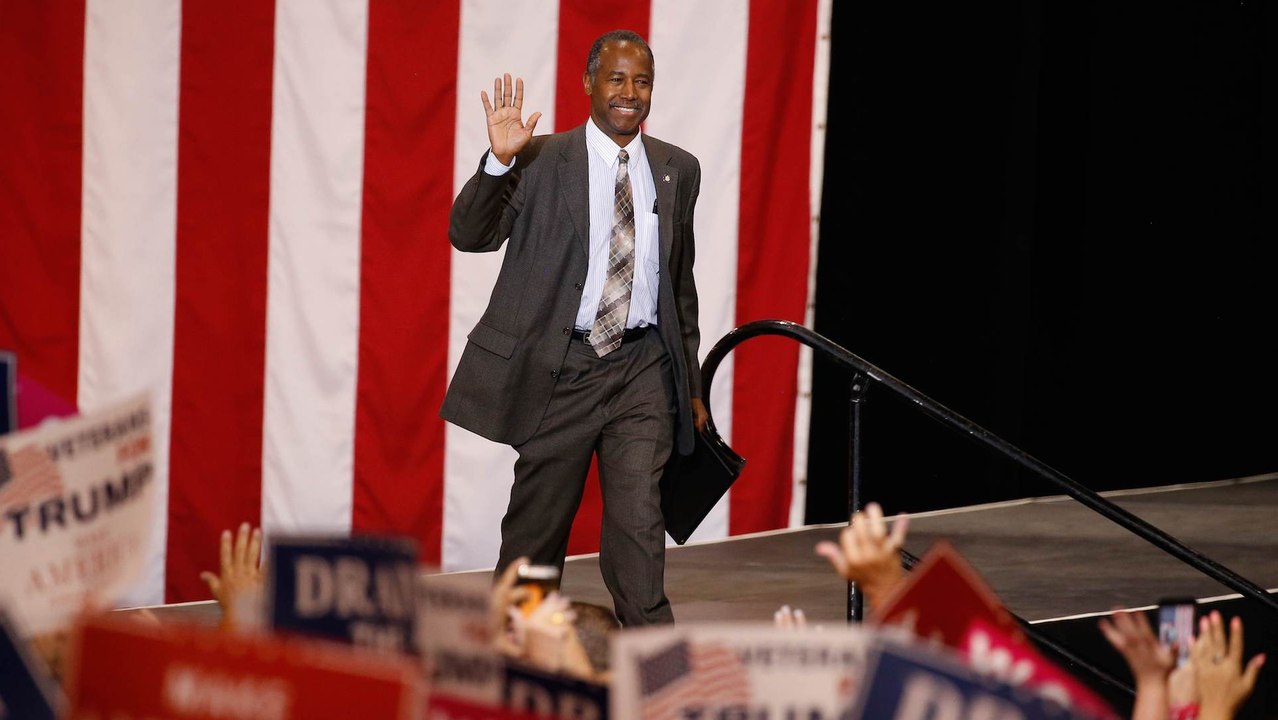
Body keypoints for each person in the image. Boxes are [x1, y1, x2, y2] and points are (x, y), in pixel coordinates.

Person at [442, 28, 707, 627]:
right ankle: (513, 676)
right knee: (536, 538)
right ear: (589, 83)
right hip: (561, 370)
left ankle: (655, 683)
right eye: (616, 78)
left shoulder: (676, 169)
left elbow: (679, 287)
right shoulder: (539, 158)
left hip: (642, 370)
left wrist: (689, 385)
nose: (629, 93)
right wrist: (498, 161)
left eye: (641, 81)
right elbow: (469, 235)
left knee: (641, 530)